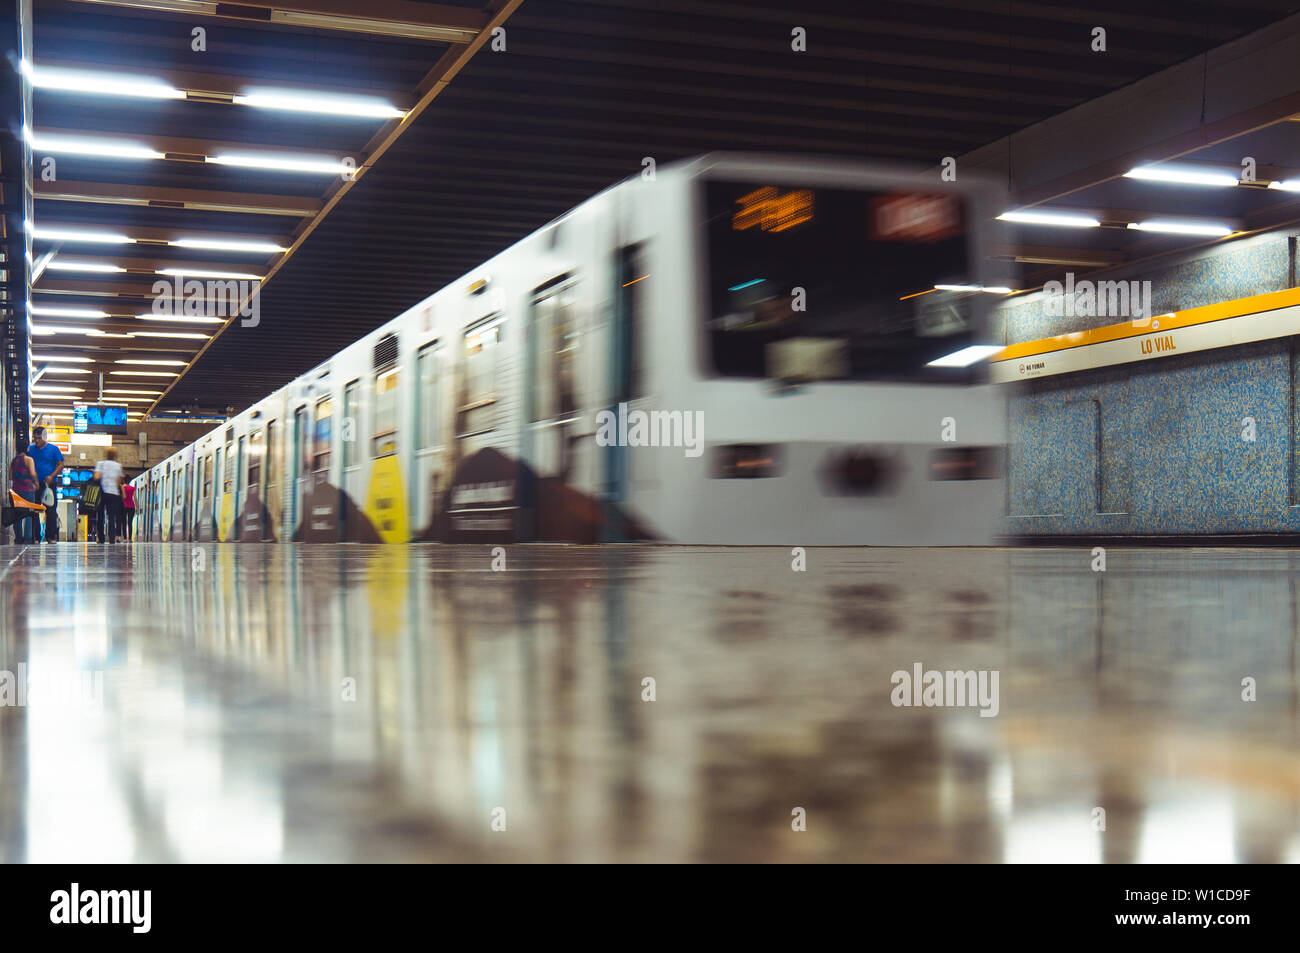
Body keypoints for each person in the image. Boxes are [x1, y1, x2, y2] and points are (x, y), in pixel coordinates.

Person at [27, 426, 64, 543]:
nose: (37, 441)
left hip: (49, 485)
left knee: (51, 511)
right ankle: (36, 536)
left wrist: (51, 476)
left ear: (44, 437)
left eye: (39, 438)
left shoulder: (53, 449)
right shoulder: (31, 449)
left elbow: (61, 464)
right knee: (34, 510)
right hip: (35, 485)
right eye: (35, 438)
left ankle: (51, 536)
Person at [94, 448, 126, 544]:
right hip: (114, 493)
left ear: (106, 455)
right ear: (115, 456)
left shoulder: (100, 464)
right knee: (112, 516)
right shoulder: (118, 466)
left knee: (100, 516)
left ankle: (101, 538)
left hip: (103, 493)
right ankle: (112, 537)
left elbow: (96, 477)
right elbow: (119, 480)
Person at [9, 450, 39, 543]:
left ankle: (18, 537)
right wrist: (36, 483)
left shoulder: (14, 461)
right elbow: (33, 473)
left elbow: (10, 476)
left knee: (17, 514)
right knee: (29, 514)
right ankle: (28, 537)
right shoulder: (29, 460)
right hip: (28, 490)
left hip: (16, 491)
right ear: (27, 449)